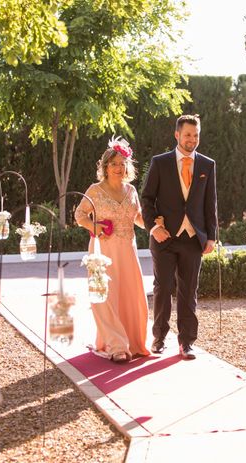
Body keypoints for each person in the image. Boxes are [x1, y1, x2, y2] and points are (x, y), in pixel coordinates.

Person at [141, 114, 217, 360]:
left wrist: (211, 236)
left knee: (189, 290)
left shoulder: (207, 165)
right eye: (187, 135)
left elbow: (210, 204)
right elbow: (147, 199)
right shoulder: (160, 162)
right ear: (177, 135)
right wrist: (154, 227)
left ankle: (186, 342)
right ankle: (159, 337)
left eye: (196, 135)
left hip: (193, 238)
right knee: (163, 287)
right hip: (164, 238)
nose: (192, 140)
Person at [75, 137, 150, 363]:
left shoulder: (132, 191)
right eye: (114, 163)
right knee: (105, 297)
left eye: (122, 163)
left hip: (128, 251)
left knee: (132, 297)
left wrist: (155, 223)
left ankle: (133, 342)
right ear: (105, 166)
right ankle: (117, 345)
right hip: (103, 251)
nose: (119, 168)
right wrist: (95, 227)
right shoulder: (95, 190)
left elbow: (137, 218)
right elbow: (80, 215)